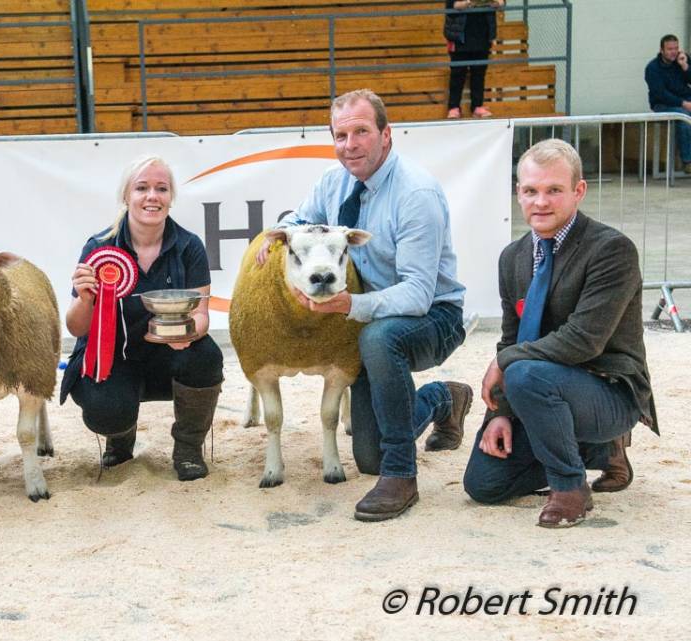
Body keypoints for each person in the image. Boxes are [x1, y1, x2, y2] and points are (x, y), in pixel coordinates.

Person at [256, 89, 470, 522]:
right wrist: (276, 232)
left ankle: (400, 475)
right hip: (369, 318)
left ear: (386, 135)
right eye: (340, 135)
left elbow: (416, 295)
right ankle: (445, 399)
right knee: (367, 454)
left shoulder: (416, 194)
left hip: (434, 317)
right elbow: (300, 220)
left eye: (361, 132)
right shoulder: (332, 183)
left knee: (376, 337)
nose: (350, 144)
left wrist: (350, 303)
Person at [463, 138, 658, 528]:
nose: (541, 202)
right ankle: (597, 451)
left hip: (606, 388)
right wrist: (499, 412)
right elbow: (511, 337)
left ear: (578, 191)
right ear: (518, 193)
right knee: (484, 484)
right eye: (531, 191)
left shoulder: (611, 250)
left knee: (524, 372)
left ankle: (570, 487)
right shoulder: (512, 258)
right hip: (539, 388)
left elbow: (583, 341)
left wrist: (504, 364)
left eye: (554, 190)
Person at [60, 156, 224, 482]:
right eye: (142, 188)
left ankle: (188, 448)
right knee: (108, 412)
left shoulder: (190, 246)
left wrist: (188, 335)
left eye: (161, 189)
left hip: (168, 357)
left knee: (206, 355)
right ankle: (120, 437)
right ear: (126, 196)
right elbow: (77, 328)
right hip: (113, 359)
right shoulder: (99, 248)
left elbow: (201, 315)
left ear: (171, 198)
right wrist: (87, 299)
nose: (152, 196)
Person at [443, 0, 504, 119]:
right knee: (458, 73)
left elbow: (501, 3)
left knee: (479, 72)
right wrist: (467, 3)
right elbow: (451, 6)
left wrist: (495, 3)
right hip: (460, 36)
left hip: (483, 34)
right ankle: (454, 107)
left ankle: (477, 106)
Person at [644, 34, 691, 173]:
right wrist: (684, 103)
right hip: (663, 104)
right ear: (662, 50)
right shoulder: (652, 68)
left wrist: (685, 66)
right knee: (682, 117)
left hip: (686, 100)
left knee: (684, 113)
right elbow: (660, 93)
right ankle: (688, 161)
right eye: (670, 49)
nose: (674, 52)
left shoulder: (682, 61)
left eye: (676, 48)